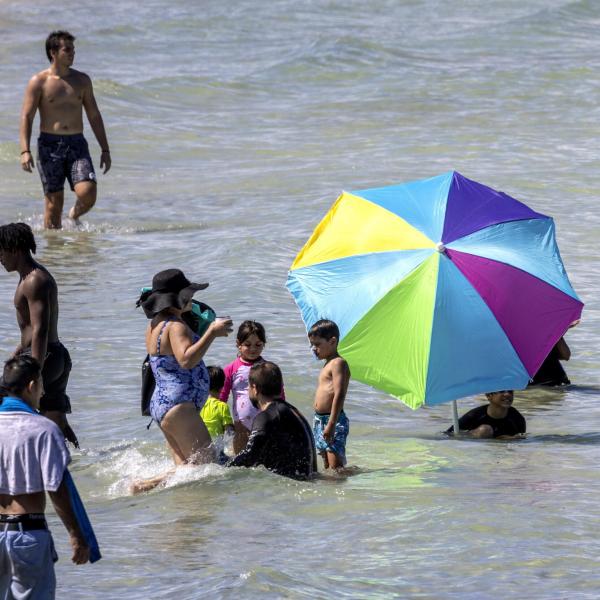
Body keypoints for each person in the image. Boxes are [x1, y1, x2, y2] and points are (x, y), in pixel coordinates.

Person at [131, 269, 233, 494]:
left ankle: (179, 512)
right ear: (173, 298)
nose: (191, 298)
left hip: (163, 404)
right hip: (178, 406)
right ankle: (147, 485)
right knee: (208, 468)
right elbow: (186, 359)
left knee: (187, 470)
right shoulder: (175, 326)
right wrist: (212, 333)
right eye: (187, 293)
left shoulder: (156, 324)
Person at [0, 355, 89, 599]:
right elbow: (57, 488)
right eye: (41, 385)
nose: (41, 393)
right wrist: (76, 535)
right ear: (32, 386)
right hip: (27, 534)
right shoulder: (43, 428)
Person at [19, 30, 111, 229]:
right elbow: (27, 116)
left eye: (73, 50)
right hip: (49, 146)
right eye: (67, 49)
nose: (72, 53)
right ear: (53, 52)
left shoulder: (82, 81)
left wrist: (105, 149)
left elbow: (94, 115)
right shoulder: (39, 82)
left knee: (88, 193)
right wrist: (25, 151)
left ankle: (73, 214)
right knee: (53, 206)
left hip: (77, 144)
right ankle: (55, 256)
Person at [0, 222, 78, 447]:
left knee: (5, 400)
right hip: (51, 355)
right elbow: (30, 329)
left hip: (45, 357)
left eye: (1, 251)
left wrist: (34, 370)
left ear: (14, 249)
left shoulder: (34, 280)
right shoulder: (29, 277)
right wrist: (17, 352)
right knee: (55, 421)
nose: (0, 258)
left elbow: (40, 329)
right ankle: (80, 461)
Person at [227, 362, 316, 480]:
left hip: (291, 485)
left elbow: (249, 456)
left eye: (248, 386)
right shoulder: (292, 411)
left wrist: (222, 469)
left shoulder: (266, 417)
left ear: (254, 388)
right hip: (305, 480)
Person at [220, 320, 284, 454]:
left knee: (265, 456)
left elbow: (279, 395)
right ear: (238, 344)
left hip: (266, 420)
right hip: (241, 424)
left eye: (258, 344)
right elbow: (221, 398)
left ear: (264, 344)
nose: (253, 349)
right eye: (247, 345)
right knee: (240, 460)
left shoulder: (268, 368)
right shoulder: (231, 369)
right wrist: (222, 421)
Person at [309, 319, 351, 471]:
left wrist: (332, 424)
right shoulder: (327, 363)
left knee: (336, 469)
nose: (314, 349)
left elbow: (339, 394)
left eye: (318, 344)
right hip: (320, 420)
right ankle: (330, 495)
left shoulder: (338, 363)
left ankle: (358, 475)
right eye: (312, 345)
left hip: (333, 420)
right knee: (327, 468)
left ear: (332, 341)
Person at [445, 390, 526, 438]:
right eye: (502, 391)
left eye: (510, 391)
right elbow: (448, 434)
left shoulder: (517, 419)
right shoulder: (474, 415)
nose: (508, 394)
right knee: (485, 430)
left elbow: (521, 442)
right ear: (488, 396)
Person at [200, 365, 234, 443]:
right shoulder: (222, 406)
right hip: (216, 444)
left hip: (199, 441)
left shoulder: (198, 404)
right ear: (222, 386)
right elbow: (229, 431)